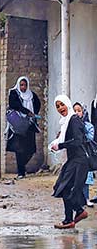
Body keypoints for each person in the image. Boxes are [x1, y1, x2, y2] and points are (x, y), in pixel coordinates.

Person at [51, 95, 89, 229]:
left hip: (79, 161)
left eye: (62, 104)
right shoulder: (66, 122)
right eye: (57, 106)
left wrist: (61, 145)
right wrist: (58, 143)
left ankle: (76, 214)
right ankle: (72, 217)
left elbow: (78, 141)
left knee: (67, 188)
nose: (60, 108)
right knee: (62, 187)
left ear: (67, 104)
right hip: (73, 160)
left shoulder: (74, 120)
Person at [6, 76, 41, 179]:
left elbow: (37, 105)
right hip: (18, 124)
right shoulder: (14, 93)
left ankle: (23, 165)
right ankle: (21, 171)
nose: (23, 87)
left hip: (29, 124)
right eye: (21, 85)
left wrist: (33, 115)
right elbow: (14, 104)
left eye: (25, 85)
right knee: (19, 149)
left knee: (30, 149)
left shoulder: (32, 95)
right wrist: (26, 112)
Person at [74, 102, 95, 208]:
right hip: (74, 155)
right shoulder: (70, 125)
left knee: (85, 179)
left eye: (79, 110)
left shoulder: (88, 125)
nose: (77, 113)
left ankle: (86, 199)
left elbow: (90, 138)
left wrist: (82, 130)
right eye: (75, 111)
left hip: (85, 154)